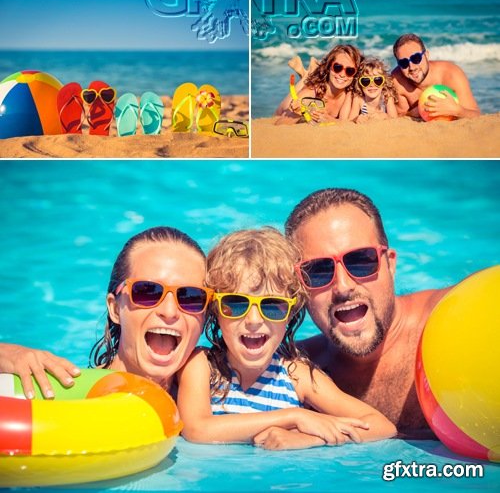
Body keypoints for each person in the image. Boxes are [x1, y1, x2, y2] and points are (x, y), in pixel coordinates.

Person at [177, 227, 396, 447]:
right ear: (216, 309)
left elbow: (381, 426)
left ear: (290, 313)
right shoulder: (202, 367)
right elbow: (196, 429)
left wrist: (308, 438)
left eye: (272, 306)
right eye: (236, 304)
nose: (254, 320)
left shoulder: (296, 376)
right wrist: (293, 417)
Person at [281, 188, 453, 441]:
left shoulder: (449, 319)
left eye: (360, 260)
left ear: (390, 264)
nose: (343, 286)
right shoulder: (292, 370)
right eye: (317, 271)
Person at [0, 226, 210, 399]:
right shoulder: (70, 392)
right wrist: (9, 355)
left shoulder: (216, 407)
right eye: (147, 292)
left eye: (191, 297)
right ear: (115, 308)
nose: (169, 311)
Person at [392, 33, 481, 119]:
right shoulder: (397, 81)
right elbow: (398, 117)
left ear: (426, 54)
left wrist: (457, 111)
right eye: (404, 63)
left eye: (416, 58)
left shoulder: (451, 74)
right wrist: (412, 113)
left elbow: (476, 114)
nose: (412, 67)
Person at [274, 44, 363, 123]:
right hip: (311, 89)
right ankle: (306, 76)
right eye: (337, 67)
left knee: (310, 80)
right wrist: (304, 116)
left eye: (350, 71)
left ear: (355, 74)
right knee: (282, 110)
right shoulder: (313, 91)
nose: (342, 74)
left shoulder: (350, 94)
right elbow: (279, 122)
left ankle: (309, 73)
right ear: (328, 66)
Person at [340, 57, 398, 122]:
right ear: (360, 84)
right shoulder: (359, 100)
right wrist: (356, 119)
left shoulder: (387, 98)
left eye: (377, 80)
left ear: (384, 83)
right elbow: (351, 119)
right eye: (366, 81)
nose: (372, 85)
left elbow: (395, 119)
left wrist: (385, 116)